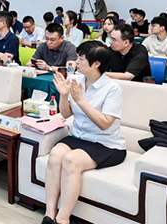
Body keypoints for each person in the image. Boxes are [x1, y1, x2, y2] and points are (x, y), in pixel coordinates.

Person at [43, 41, 126, 224]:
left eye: (81, 59)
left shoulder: (112, 89)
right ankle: (49, 215)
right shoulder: (77, 80)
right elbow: (66, 114)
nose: (76, 62)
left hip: (105, 143)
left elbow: (104, 124)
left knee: (71, 160)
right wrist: (64, 95)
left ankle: (63, 219)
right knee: (55, 155)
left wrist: (81, 100)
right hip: (79, 137)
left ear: (96, 64)